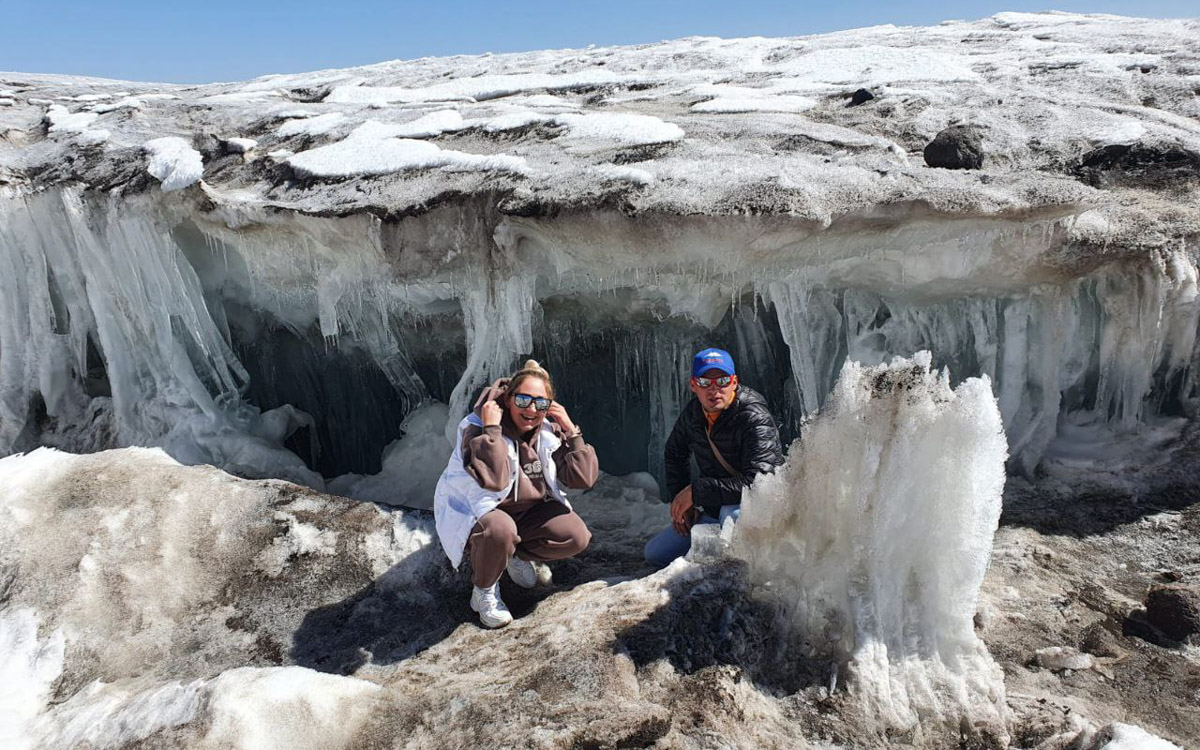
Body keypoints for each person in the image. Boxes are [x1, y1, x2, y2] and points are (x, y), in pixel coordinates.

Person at [434, 360, 599, 628]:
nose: (532, 409)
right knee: (500, 530)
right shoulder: (475, 427)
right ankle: (484, 590)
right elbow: (495, 481)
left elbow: (583, 478)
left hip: (526, 512)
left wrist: (571, 430)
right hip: (483, 513)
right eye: (523, 400)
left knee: (576, 536)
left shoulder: (547, 429)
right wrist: (492, 430)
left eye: (541, 403)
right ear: (509, 399)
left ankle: (515, 556)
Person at [644, 347, 784, 568]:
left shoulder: (753, 416)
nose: (714, 390)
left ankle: (739, 585)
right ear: (693, 385)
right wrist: (685, 504)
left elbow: (760, 482)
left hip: (750, 511)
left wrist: (696, 492)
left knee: (731, 515)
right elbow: (674, 452)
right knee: (655, 553)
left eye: (722, 381)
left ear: (734, 382)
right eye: (704, 382)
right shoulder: (694, 414)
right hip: (714, 507)